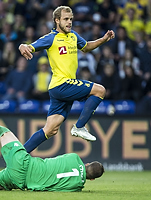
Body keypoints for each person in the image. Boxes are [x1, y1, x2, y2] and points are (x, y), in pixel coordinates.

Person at [19, 6, 115, 152]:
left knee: (50, 130)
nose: (69, 22)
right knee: (100, 90)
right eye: (65, 19)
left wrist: (103, 39)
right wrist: (22, 46)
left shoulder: (73, 36)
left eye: (71, 19)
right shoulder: (51, 38)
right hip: (61, 84)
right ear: (57, 20)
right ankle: (79, 127)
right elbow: (31, 46)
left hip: (63, 88)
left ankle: (18, 155)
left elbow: (86, 47)